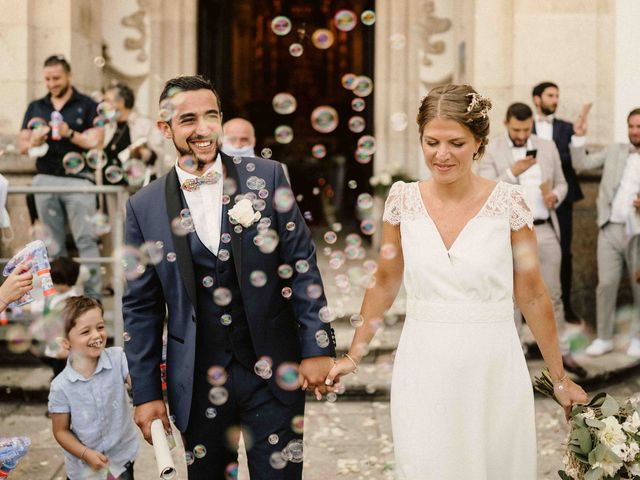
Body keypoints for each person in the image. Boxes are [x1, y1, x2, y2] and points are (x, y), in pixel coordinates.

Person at [326, 84, 588, 479]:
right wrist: (353, 356)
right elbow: (383, 282)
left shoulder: (509, 203)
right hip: (423, 363)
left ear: (479, 144)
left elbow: (532, 293)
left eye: (456, 143)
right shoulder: (402, 200)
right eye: (431, 142)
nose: (442, 154)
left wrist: (560, 379)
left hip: (492, 365)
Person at [122, 75, 336, 479]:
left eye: (210, 116)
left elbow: (302, 264)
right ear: (165, 128)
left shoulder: (268, 178)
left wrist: (316, 346)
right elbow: (141, 307)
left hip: (274, 370)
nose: (202, 129)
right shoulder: (143, 207)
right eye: (188, 119)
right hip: (197, 380)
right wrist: (147, 392)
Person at [478, 102, 587, 378]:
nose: (522, 135)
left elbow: (563, 183)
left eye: (526, 129)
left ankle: (562, 354)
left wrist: (556, 197)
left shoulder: (547, 147)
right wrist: (513, 172)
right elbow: (485, 189)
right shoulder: (492, 149)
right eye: (517, 130)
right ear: (506, 124)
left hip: (545, 229)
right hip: (510, 234)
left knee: (554, 295)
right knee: (514, 297)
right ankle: (514, 358)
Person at [17, 55, 104, 300]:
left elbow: (97, 140)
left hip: (79, 181)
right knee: (52, 245)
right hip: (44, 178)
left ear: (69, 76)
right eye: (47, 79)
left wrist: (69, 133)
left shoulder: (87, 104)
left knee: (86, 240)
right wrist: (34, 139)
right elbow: (22, 143)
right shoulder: (37, 106)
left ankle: (92, 298)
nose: (52, 83)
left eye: (56, 78)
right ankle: (56, 299)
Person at [571, 108, 640, 357]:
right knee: (606, 284)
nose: (634, 131)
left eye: (638, 127)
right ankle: (604, 337)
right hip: (610, 226)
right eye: (631, 126)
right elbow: (581, 164)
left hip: (638, 231)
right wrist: (579, 137)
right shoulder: (615, 151)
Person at [48, 296, 138, 480]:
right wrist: (85, 453)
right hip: (83, 470)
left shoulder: (118, 358)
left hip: (121, 459)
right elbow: (60, 431)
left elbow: (137, 383)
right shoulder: (60, 387)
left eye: (100, 327)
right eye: (85, 331)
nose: (97, 336)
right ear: (65, 342)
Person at [532, 82, 590, 323]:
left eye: (557, 95)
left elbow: (577, 161)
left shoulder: (568, 128)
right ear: (537, 99)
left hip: (562, 200)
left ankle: (564, 307)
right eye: (550, 95)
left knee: (564, 252)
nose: (555, 100)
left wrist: (578, 137)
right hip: (531, 199)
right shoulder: (525, 127)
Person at [103, 83, 165, 188]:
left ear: (121, 102)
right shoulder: (107, 127)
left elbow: (156, 156)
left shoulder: (144, 124)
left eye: (107, 101)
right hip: (110, 188)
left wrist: (141, 153)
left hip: (138, 188)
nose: (103, 105)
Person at [30, 257, 81, 378]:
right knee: (57, 370)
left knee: (63, 373)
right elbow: (39, 306)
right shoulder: (54, 295)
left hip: (66, 347)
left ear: (66, 281)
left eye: (56, 282)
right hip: (53, 343)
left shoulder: (74, 298)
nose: (53, 284)